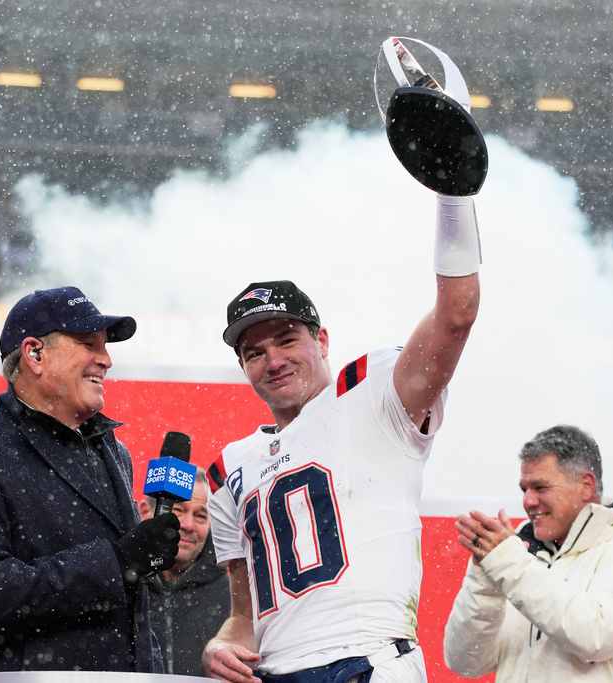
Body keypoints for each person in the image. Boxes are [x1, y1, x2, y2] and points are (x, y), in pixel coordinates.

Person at [202, 192, 482, 683]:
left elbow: (456, 313)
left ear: (322, 340)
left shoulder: (372, 392)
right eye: (254, 352)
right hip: (274, 673)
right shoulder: (230, 468)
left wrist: (453, 198)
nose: (274, 361)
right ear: (243, 367)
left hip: (368, 659)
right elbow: (245, 616)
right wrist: (224, 641)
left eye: (288, 340)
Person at [0, 286, 181, 674]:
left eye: (105, 347)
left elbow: (133, 612)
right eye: (88, 344)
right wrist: (117, 562)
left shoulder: (115, 452)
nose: (106, 360)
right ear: (34, 354)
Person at [443, 424, 613, 683]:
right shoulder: (524, 557)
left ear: (586, 485)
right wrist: (485, 580)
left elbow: (594, 636)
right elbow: (466, 662)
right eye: (524, 489)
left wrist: (508, 564)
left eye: (541, 487)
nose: (528, 501)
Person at [139, 469, 229, 676]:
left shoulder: (234, 599)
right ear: (145, 512)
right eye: (178, 510)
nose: (188, 525)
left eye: (200, 515)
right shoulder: (117, 587)